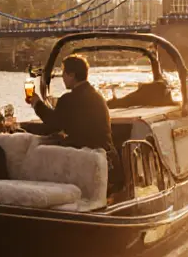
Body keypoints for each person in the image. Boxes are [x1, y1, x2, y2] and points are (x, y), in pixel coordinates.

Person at [26, 54, 121, 190]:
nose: (62, 77)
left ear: (72, 75)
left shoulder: (70, 99)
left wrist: (37, 104)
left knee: (39, 153)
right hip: (108, 157)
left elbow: (53, 124)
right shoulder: (96, 95)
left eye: (64, 73)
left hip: (88, 158)